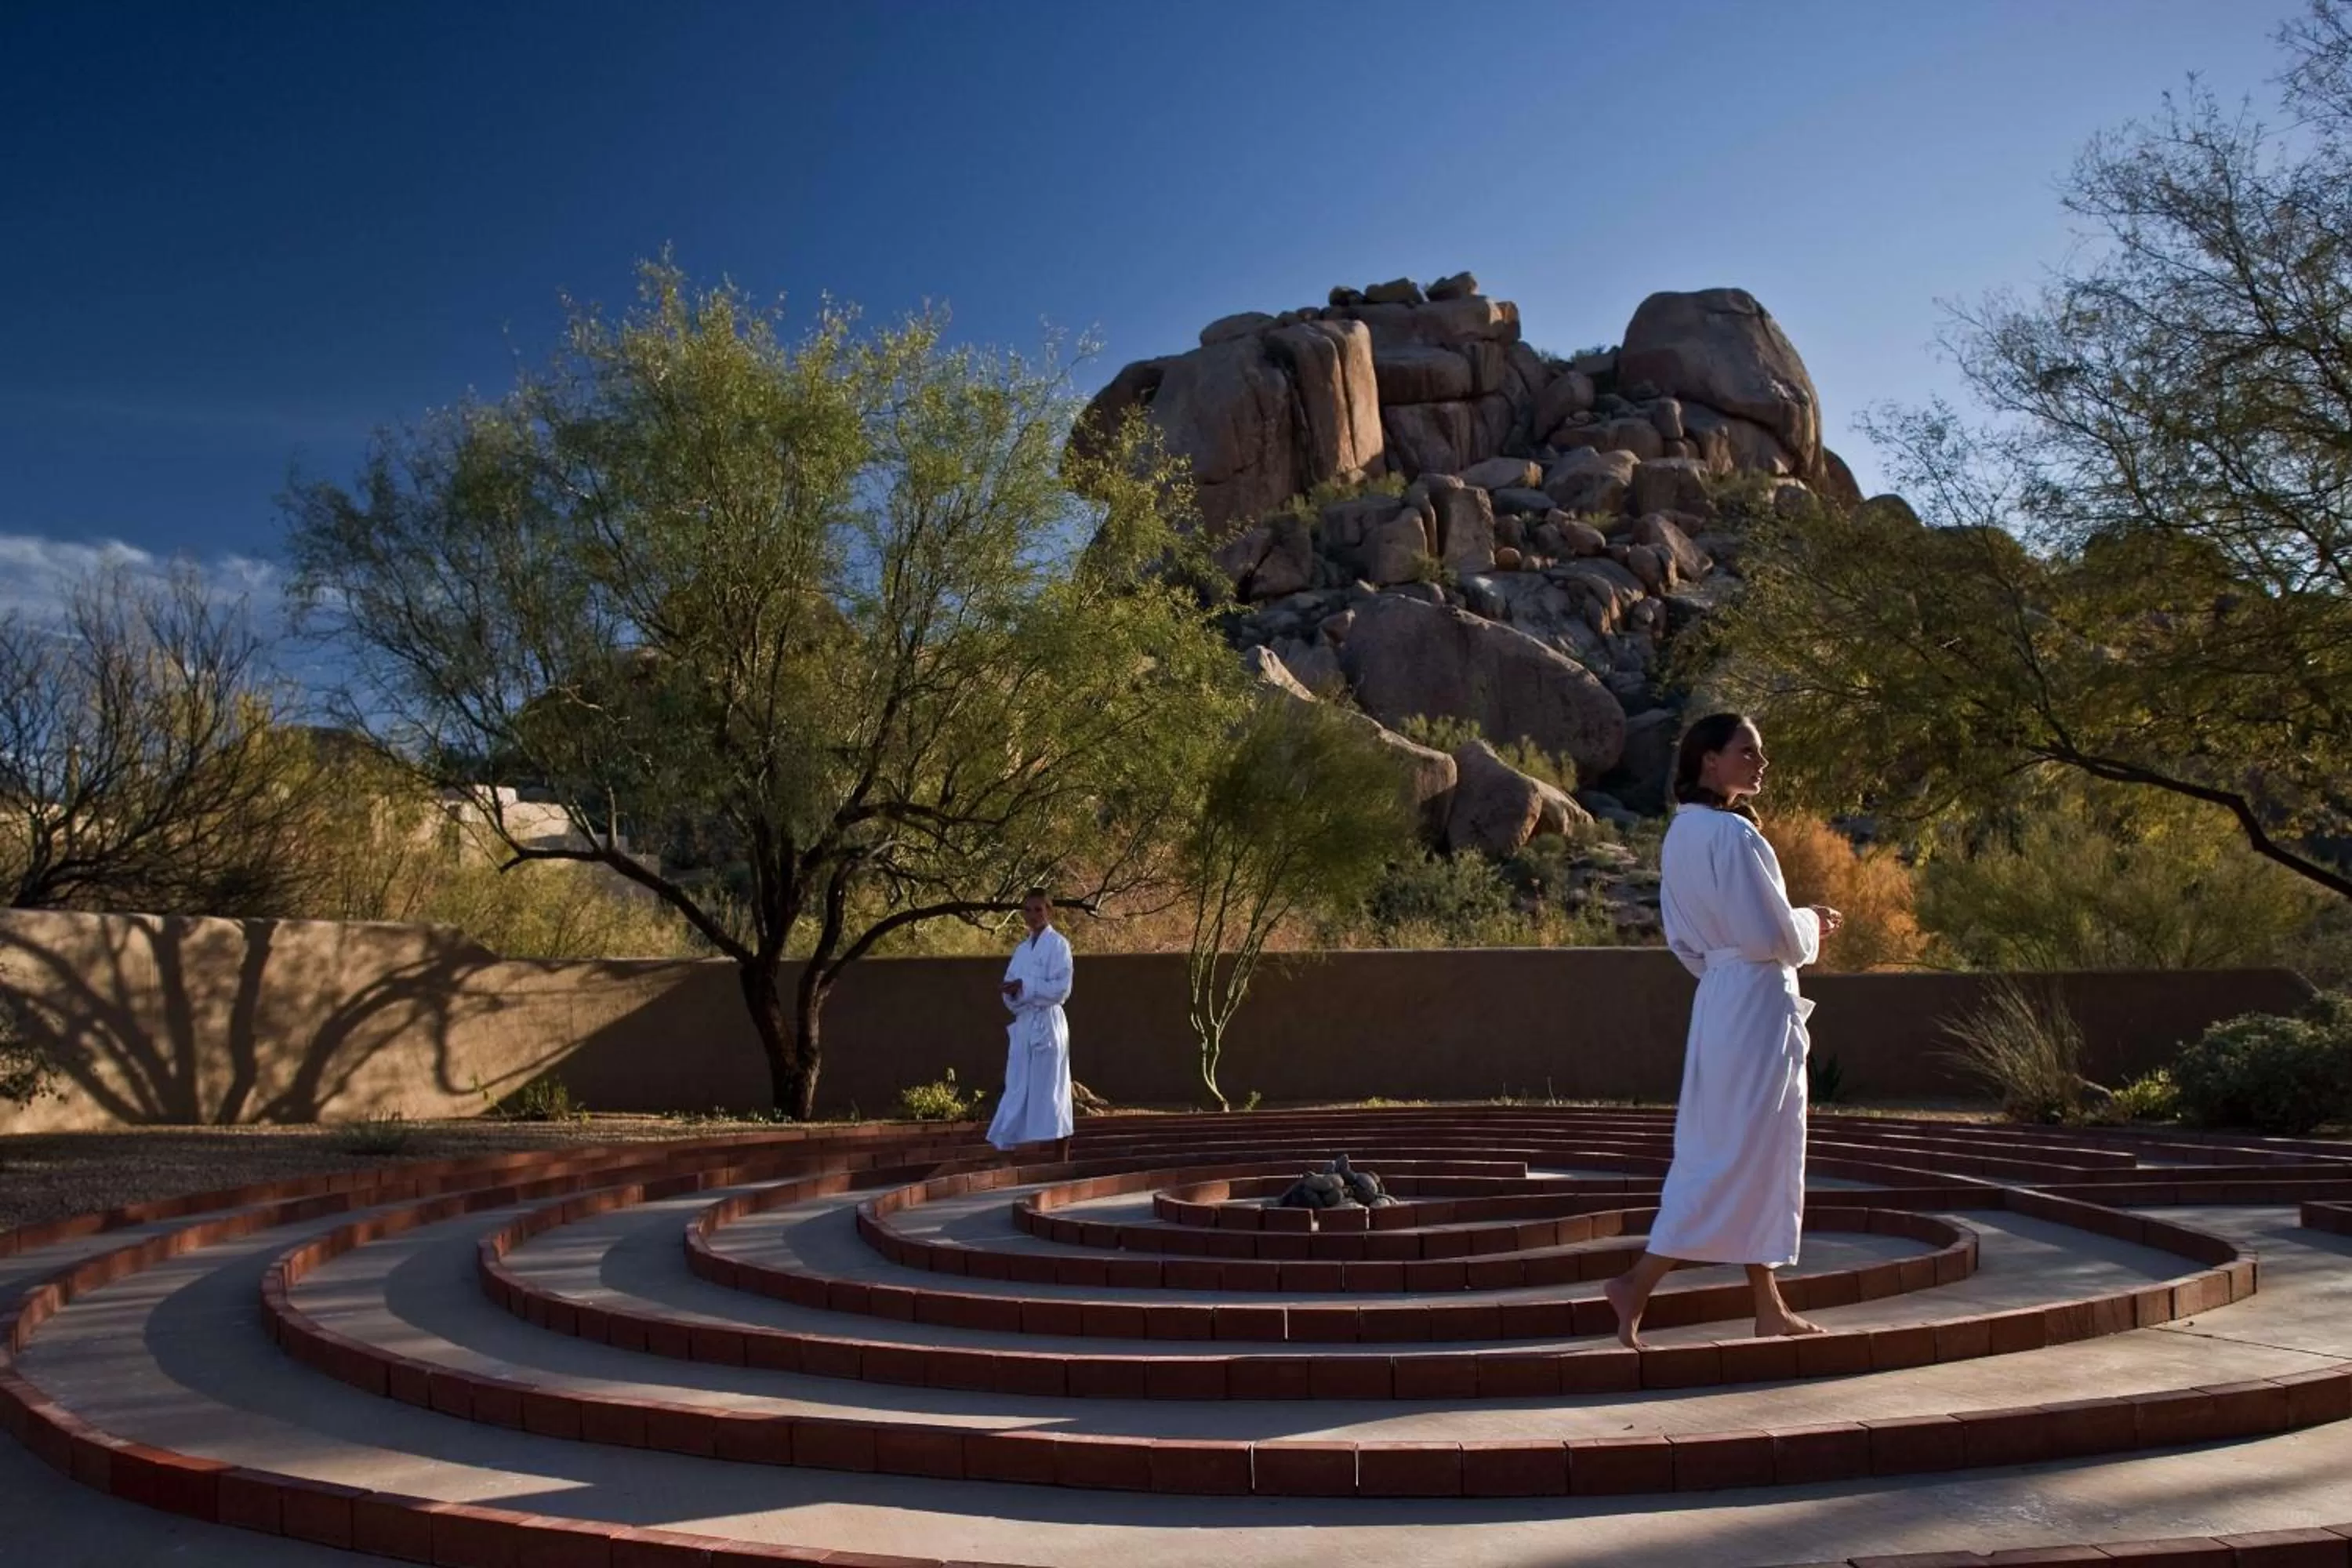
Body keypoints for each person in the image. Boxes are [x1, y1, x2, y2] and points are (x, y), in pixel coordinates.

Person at [1603, 713, 1844, 1347]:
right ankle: (1638, 1281)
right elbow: (1772, 937)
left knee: (1745, 1148)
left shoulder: (1681, 835)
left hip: (1719, 999)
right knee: (1737, 1150)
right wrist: (1812, 921)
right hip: (1756, 1000)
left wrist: (1729, 967)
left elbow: (1686, 942)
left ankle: (1767, 1307)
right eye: (1748, 751)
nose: (1760, 763)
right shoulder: (1735, 838)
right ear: (1709, 759)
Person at [985, 887, 1074, 1163]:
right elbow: (1011, 988)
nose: (1033, 915)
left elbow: (1061, 989)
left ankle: (1061, 1157)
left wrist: (1026, 986)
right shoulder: (1021, 950)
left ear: (1050, 911)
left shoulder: (1059, 945)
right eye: (1028, 910)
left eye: (1039, 909)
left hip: (1048, 1025)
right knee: (1016, 1087)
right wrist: (1012, 992)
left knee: (1053, 1091)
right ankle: (1006, 1153)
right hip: (1025, 1025)